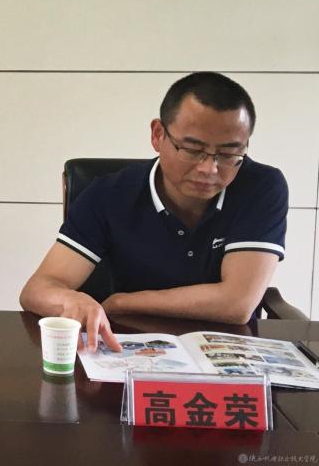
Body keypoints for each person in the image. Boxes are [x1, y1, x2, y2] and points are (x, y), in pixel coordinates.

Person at [19, 72, 288, 351]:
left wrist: (122, 302)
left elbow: (237, 303)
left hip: (230, 353)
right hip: (131, 348)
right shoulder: (109, 194)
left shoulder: (261, 187)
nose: (209, 168)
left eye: (229, 154)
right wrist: (71, 300)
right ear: (158, 134)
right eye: (192, 149)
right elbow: (37, 289)